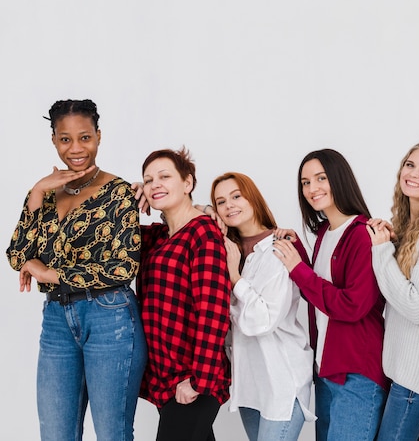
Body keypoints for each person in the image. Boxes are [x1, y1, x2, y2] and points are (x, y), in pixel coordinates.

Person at [6, 98, 147, 441]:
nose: (76, 148)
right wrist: (38, 192)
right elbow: (17, 256)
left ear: (98, 136)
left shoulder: (118, 193)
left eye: (84, 137)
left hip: (110, 315)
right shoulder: (45, 193)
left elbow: (123, 266)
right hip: (56, 319)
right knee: (56, 434)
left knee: (112, 433)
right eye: (65, 139)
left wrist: (51, 273)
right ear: (54, 140)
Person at [273, 148, 388, 441]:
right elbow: (321, 289)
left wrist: (298, 268)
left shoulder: (362, 234)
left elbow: (353, 305)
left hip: (357, 374)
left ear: (338, 179)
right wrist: (298, 251)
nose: (312, 188)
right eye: (305, 182)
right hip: (326, 370)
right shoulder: (326, 232)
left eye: (320, 178)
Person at [206, 171, 315, 441]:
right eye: (221, 202)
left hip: (281, 382)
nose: (229, 205)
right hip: (249, 385)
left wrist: (235, 278)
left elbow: (262, 321)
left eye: (236, 196)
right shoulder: (228, 249)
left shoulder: (279, 249)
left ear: (252, 198)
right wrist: (206, 210)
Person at [137, 148, 230, 441]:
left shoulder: (203, 233)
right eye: (148, 180)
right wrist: (128, 197)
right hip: (167, 379)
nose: (155, 185)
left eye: (165, 176)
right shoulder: (158, 237)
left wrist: (198, 380)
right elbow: (116, 235)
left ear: (187, 183)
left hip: (193, 380)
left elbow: (213, 310)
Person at [367, 141, 419, 441]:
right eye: (410, 164)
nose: (413, 173)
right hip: (405, 373)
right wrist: (390, 243)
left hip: (415, 379)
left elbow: (417, 306)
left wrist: (381, 252)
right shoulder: (410, 229)